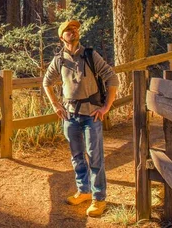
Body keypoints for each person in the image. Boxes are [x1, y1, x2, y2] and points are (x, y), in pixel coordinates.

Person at [42, 19, 119, 217]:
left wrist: (106, 107)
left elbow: (112, 78)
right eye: (68, 29)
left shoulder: (90, 55)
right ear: (61, 36)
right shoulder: (59, 60)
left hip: (91, 115)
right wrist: (55, 105)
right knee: (77, 158)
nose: (73, 31)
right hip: (70, 116)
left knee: (95, 157)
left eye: (75, 28)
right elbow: (46, 82)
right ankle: (84, 191)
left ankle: (98, 198)